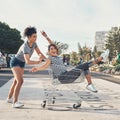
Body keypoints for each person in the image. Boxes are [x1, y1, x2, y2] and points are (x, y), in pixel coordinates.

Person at [31, 31, 110, 93]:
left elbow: (52, 44)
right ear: (49, 52)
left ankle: (90, 84)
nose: (53, 50)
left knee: (85, 67)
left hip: (67, 75)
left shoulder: (57, 56)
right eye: (51, 49)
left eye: (54, 48)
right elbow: (45, 66)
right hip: (63, 77)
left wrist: (46, 36)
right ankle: (101, 58)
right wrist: (37, 69)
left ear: (57, 50)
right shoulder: (50, 58)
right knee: (85, 65)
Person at [7, 27, 46, 108]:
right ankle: (15, 102)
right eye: (34, 36)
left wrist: (47, 59)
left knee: (16, 82)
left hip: (21, 63)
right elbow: (28, 61)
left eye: (36, 36)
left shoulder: (34, 44)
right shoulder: (25, 46)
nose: (35, 38)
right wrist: (38, 62)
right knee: (20, 81)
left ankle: (9, 98)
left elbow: (40, 53)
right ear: (28, 37)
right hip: (15, 62)